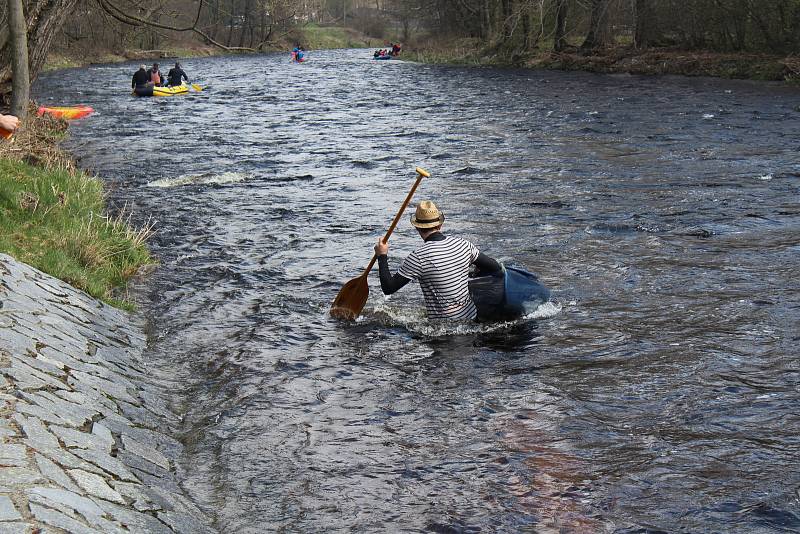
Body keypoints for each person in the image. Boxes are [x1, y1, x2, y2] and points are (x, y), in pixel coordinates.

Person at [375, 200, 503, 321]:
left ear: (417, 228)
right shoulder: (464, 245)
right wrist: (474, 272)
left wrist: (382, 256)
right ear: (440, 225)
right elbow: (495, 267)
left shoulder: (418, 257)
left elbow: (388, 288)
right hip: (471, 317)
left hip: (443, 328)